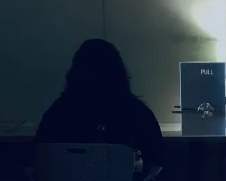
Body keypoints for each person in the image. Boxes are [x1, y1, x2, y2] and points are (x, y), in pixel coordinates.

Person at [36, 39, 164, 173]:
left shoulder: (59, 111)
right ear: (118, 73)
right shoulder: (137, 112)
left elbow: (38, 157)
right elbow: (155, 164)